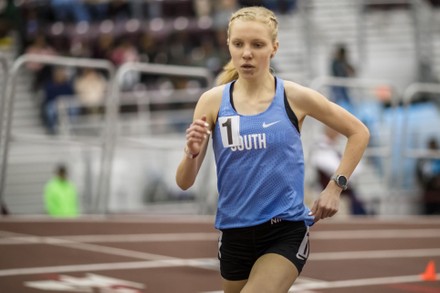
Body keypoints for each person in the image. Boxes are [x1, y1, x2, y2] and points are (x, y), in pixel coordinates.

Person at [175, 6, 369, 293]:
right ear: (228, 44)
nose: (247, 53)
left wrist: (335, 186)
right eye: (238, 44)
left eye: (257, 45)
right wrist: (191, 152)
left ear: (274, 48)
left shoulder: (294, 96)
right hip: (234, 232)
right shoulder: (212, 102)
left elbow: (358, 132)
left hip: (284, 230)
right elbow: (184, 181)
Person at [310, 126, 368, 215]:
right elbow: (331, 168)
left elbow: (359, 167)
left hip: (344, 192)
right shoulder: (320, 146)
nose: (338, 132)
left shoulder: (338, 145)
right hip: (328, 191)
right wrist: (347, 171)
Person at [416, 137, 440, 215]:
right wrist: (423, 184)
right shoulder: (424, 159)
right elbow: (419, 173)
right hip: (427, 187)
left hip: (438, 188)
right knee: (428, 210)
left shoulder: (437, 158)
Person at [330, 44, 356, 109]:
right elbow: (338, 73)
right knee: (338, 100)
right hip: (337, 85)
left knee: (345, 100)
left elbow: (352, 70)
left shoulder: (344, 62)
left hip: (343, 85)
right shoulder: (336, 62)